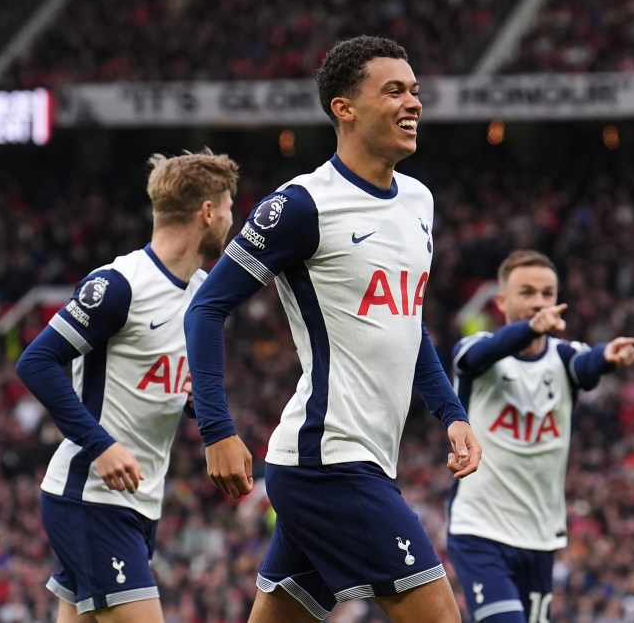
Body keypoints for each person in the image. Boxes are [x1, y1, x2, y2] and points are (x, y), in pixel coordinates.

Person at [183, 35, 482, 623]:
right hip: (330, 462)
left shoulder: (419, 202)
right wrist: (216, 430)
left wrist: (452, 413)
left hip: (353, 460)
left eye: (416, 91)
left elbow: (406, 323)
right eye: (393, 90)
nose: (413, 103)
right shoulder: (302, 205)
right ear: (343, 108)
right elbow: (206, 307)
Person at [16, 149, 239, 623]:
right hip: (92, 496)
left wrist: (203, 413)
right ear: (207, 212)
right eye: (228, 209)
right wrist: (100, 445)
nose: (230, 220)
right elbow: (36, 361)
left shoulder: (203, 294)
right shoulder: (120, 285)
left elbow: (163, 383)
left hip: (137, 502)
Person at [446, 249, 634, 623]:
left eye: (547, 293)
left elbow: (587, 364)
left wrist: (608, 357)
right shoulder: (477, 351)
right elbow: (475, 356)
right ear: (501, 302)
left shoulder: (564, 358)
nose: (539, 302)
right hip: (480, 528)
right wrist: (531, 329)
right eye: (527, 292)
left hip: (539, 537)